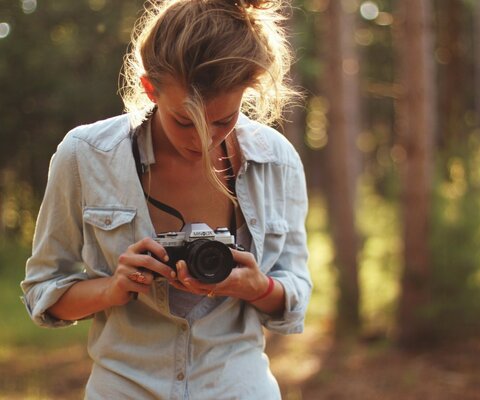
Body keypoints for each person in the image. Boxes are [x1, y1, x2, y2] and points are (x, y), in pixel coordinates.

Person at [21, 0, 311, 398]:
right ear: (149, 88)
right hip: (124, 387)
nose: (203, 141)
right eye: (184, 121)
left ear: (247, 91)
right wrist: (114, 288)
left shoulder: (276, 161)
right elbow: (43, 293)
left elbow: (295, 295)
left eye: (223, 121)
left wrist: (256, 287)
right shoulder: (86, 156)